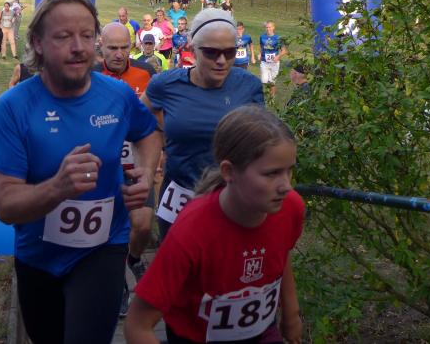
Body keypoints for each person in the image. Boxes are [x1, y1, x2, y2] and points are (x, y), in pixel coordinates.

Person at [0, 0, 162, 344]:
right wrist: (58, 187)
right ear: (38, 42)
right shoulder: (13, 108)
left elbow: (148, 132)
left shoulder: (117, 95)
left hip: (104, 246)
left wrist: (145, 170)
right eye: (64, 37)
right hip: (38, 256)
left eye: (86, 35)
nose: (79, 47)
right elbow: (4, 206)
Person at [125, 105, 304, 344]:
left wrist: (291, 314)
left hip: (262, 333)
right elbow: (137, 326)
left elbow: (280, 252)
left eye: (289, 171)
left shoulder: (290, 207)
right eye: (271, 174)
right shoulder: (192, 230)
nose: (286, 186)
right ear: (229, 171)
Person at [142, 8, 265, 240]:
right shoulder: (165, 84)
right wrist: (153, 157)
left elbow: (260, 142)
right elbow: (139, 122)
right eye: (210, 52)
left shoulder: (249, 85)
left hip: (230, 199)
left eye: (229, 52)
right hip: (179, 196)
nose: (221, 61)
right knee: (177, 261)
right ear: (192, 48)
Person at [96, 22, 158, 316]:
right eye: (112, 48)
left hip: (138, 164)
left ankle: (133, 258)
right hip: (105, 170)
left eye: (124, 48)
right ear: (101, 46)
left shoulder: (145, 72)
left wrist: (160, 153)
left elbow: (158, 114)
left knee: (143, 224)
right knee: (110, 232)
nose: (119, 54)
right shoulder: (90, 74)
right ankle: (118, 285)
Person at [259, 21, 288, 97]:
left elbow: (284, 51)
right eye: (267, 27)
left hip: (274, 63)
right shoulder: (262, 37)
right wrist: (260, 54)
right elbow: (261, 47)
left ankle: (272, 98)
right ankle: (271, 92)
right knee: (264, 80)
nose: (268, 29)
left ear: (273, 27)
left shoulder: (278, 38)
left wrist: (278, 56)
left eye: (270, 27)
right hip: (264, 62)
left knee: (272, 81)